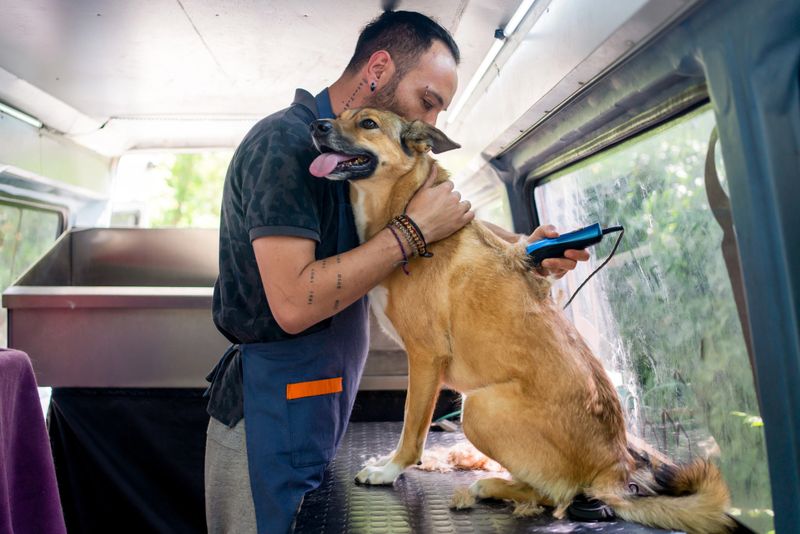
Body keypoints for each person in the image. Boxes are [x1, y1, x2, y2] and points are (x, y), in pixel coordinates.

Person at [204, 10, 590, 534]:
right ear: (379, 69)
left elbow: (444, 217)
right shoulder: (286, 146)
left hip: (318, 405)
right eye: (427, 102)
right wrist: (412, 233)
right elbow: (294, 304)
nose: (428, 126)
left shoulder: (365, 157)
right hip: (267, 417)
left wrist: (523, 251)